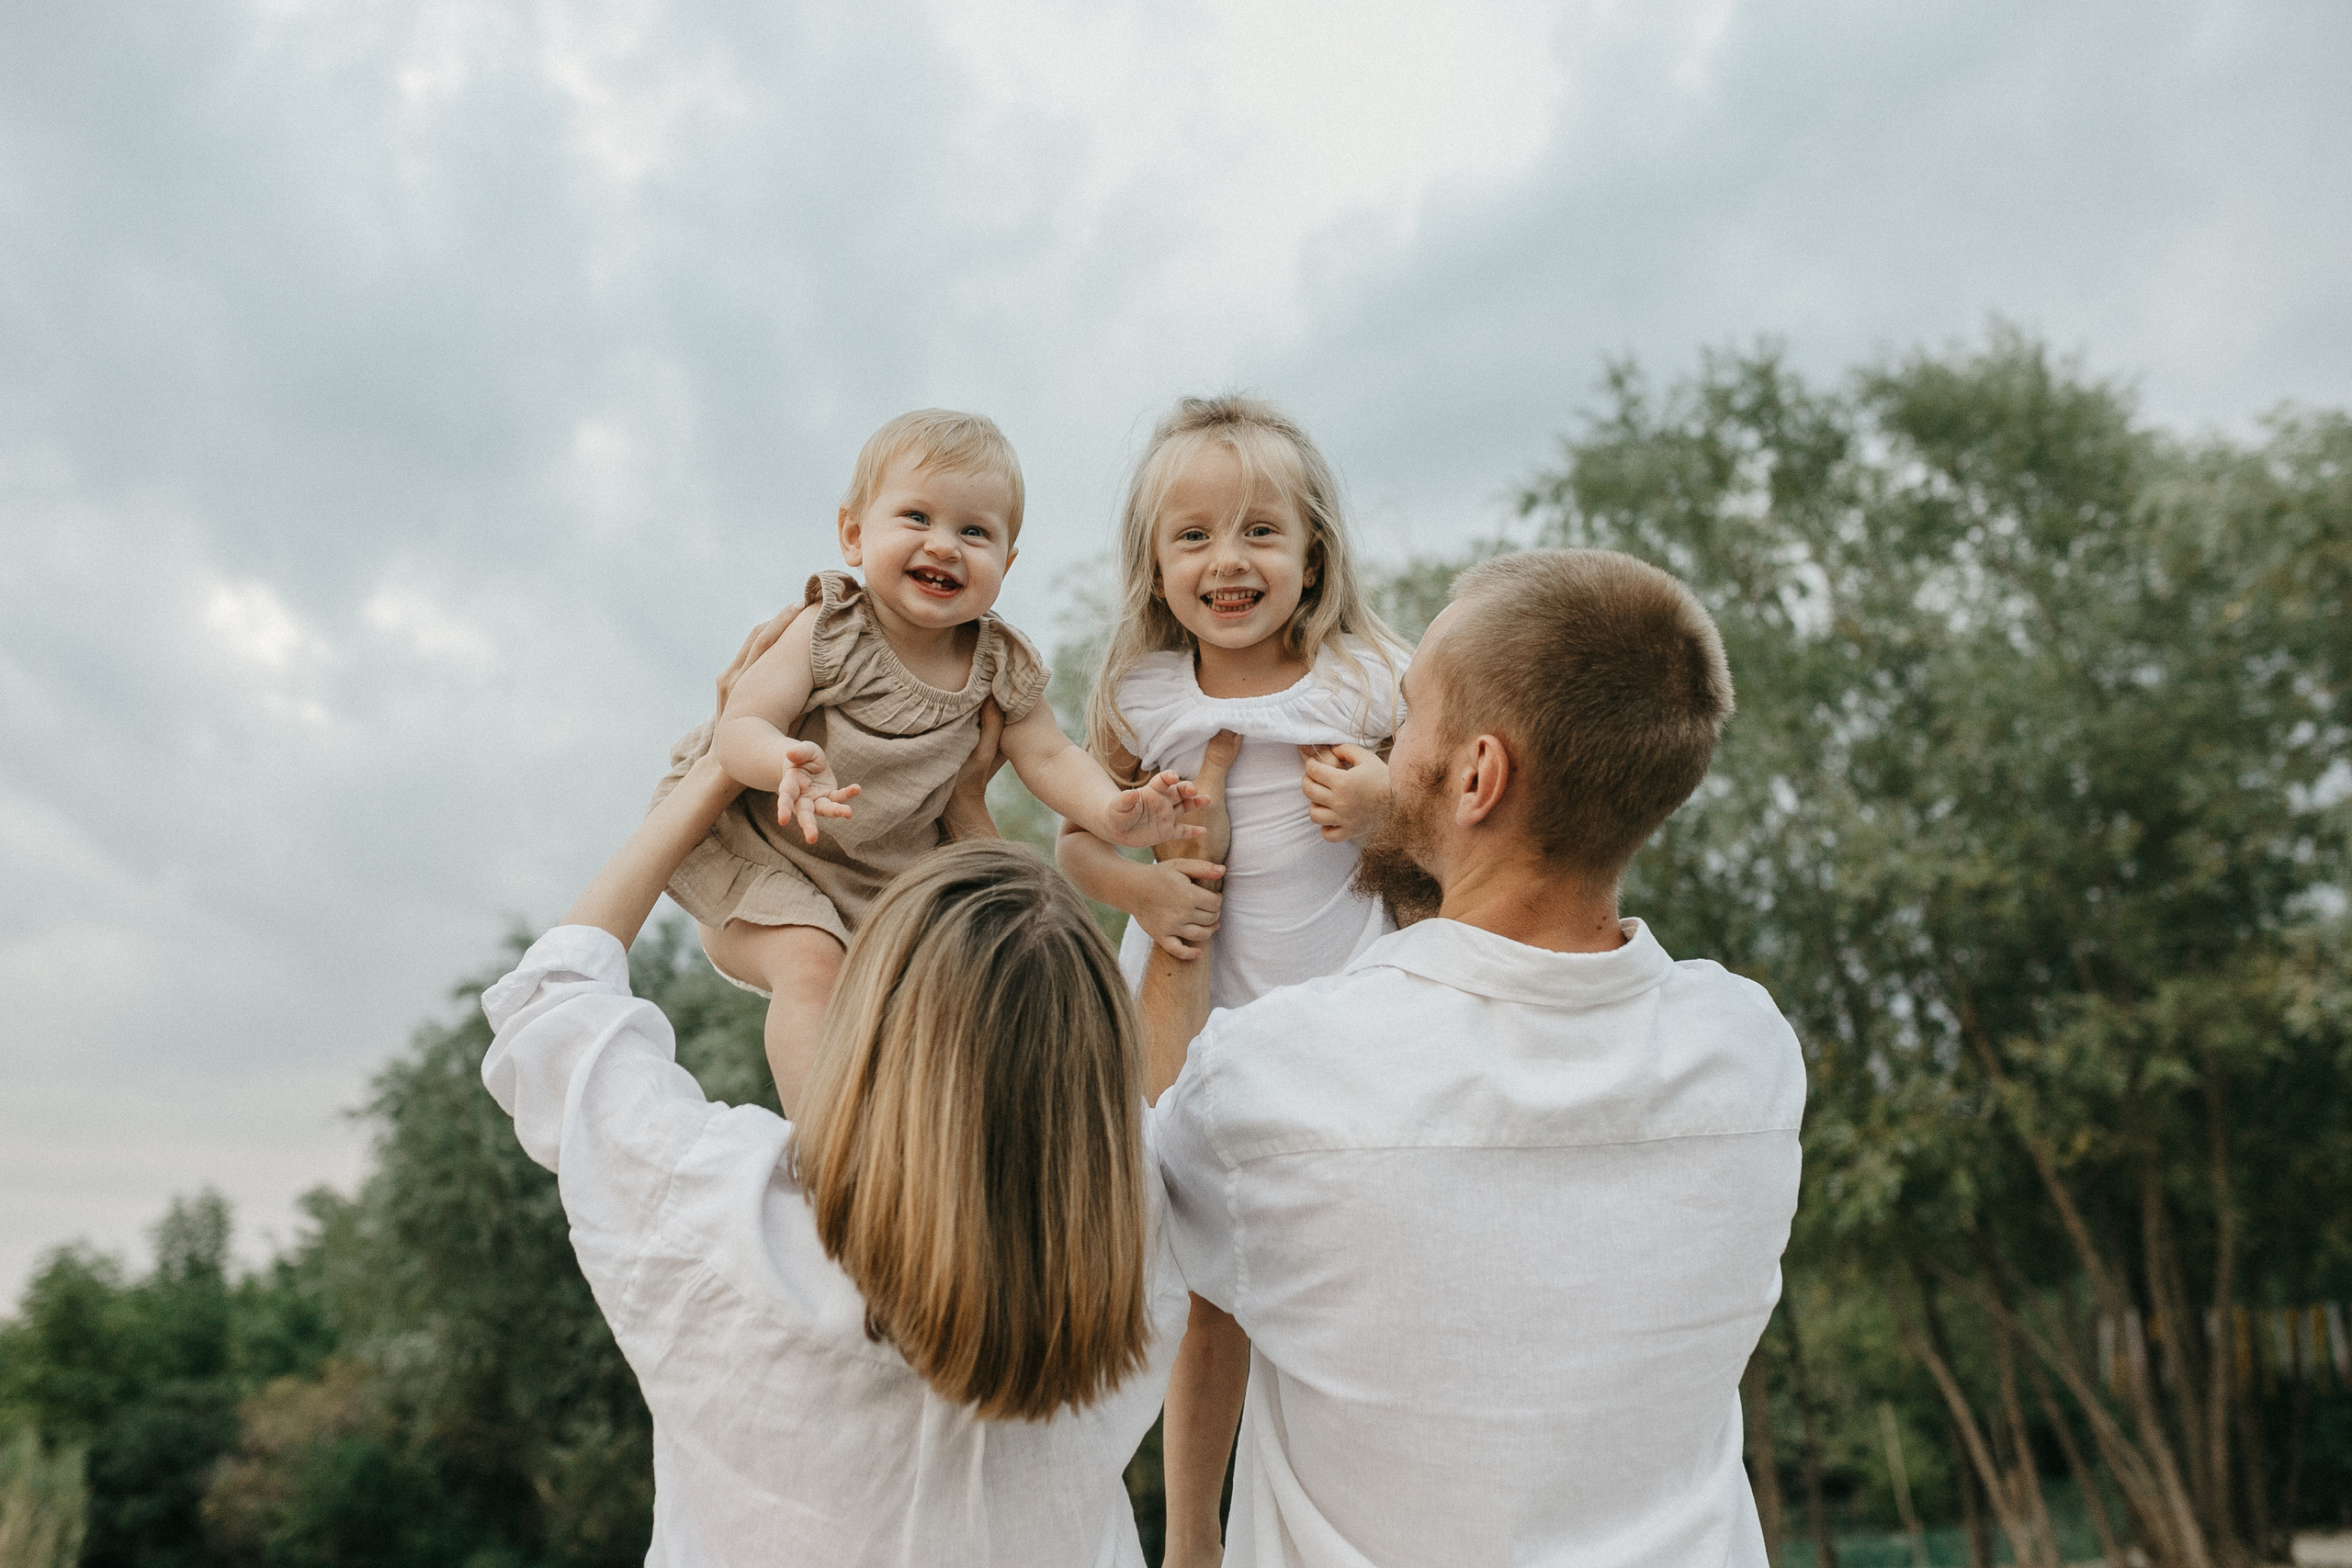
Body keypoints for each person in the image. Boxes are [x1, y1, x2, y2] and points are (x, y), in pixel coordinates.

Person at [481, 618, 1240, 1566]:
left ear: (879, 1012)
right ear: (1086, 1049)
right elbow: (1125, 1092)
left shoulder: (725, 1212)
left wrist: (713, 773)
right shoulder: (1120, 1239)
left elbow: (551, 1003)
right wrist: (972, 813)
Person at [1144, 547, 1808, 1568]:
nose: (1386, 741)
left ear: (1479, 775)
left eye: (1409, 713)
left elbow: (1136, 1203)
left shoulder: (1281, 1073)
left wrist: (1182, 899)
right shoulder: (1748, 1054)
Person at [1054, 395, 1412, 1553]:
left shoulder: (1376, 679)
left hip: (1349, 1001)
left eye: (1261, 531)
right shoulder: (1144, 698)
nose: (1228, 561)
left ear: (1313, 557)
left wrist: (1383, 801)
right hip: (1199, 1015)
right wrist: (1144, 891)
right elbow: (1075, 848)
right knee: (1208, 1289)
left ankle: (1357, 1508)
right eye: (1194, 537)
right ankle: (1193, 1534)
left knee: (1348, 1270)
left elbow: (1449, 815)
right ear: (1155, 568)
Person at [650, 409, 1205, 1112]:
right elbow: (742, 722)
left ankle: (911, 1135)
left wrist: (1111, 810)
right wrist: (782, 760)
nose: (944, 545)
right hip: (767, 860)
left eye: (974, 532)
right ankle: (822, 1147)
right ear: (854, 534)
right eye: (917, 517)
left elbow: (1050, 753)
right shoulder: (829, 630)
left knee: (943, 1003)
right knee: (812, 963)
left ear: (1005, 564)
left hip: (886, 882)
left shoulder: (998, 661)